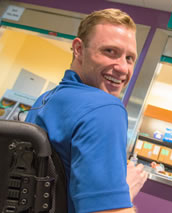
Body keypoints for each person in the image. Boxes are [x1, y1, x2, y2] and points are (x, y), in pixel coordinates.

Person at [25, 8, 147, 213]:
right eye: (110, 51)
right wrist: (124, 192)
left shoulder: (44, 101)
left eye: (129, 58)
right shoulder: (105, 110)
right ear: (79, 49)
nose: (123, 68)